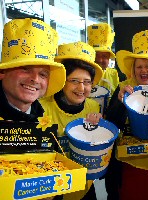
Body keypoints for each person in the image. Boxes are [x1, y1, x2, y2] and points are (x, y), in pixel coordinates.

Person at [105, 30, 148, 200]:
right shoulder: (123, 88)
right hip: (128, 163)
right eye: (139, 66)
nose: (144, 70)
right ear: (133, 69)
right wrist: (121, 103)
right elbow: (111, 123)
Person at [0, 18, 66, 200]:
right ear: (3, 72)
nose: (35, 79)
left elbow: (56, 175)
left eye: (43, 74)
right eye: (26, 68)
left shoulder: (43, 120)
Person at [39, 41, 103, 200]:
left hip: (85, 187)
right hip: (52, 190)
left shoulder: (93, 106)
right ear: (62, 81)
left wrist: (100, 130)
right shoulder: (41, 108)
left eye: (87, 82)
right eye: (74, 81)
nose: (81, 88)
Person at [87, 23, 119, 101]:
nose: (100, 60)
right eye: (96, 55)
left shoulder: (116, 75)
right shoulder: (81, 74)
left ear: (109, 58)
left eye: (104, 56)